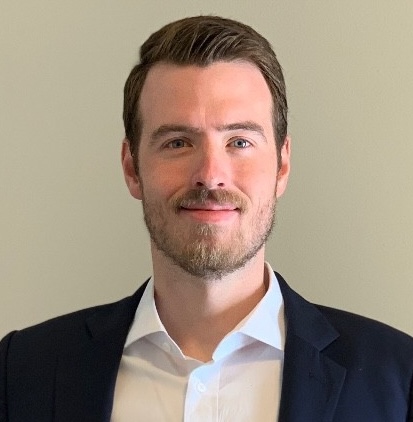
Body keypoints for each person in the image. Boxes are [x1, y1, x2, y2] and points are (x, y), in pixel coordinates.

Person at [1, 15, 412, 422]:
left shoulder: (399, 377)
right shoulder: (21, 371)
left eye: (239, 142)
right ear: (132, 168)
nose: (210, 174)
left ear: (282, 165)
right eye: (178, 142)